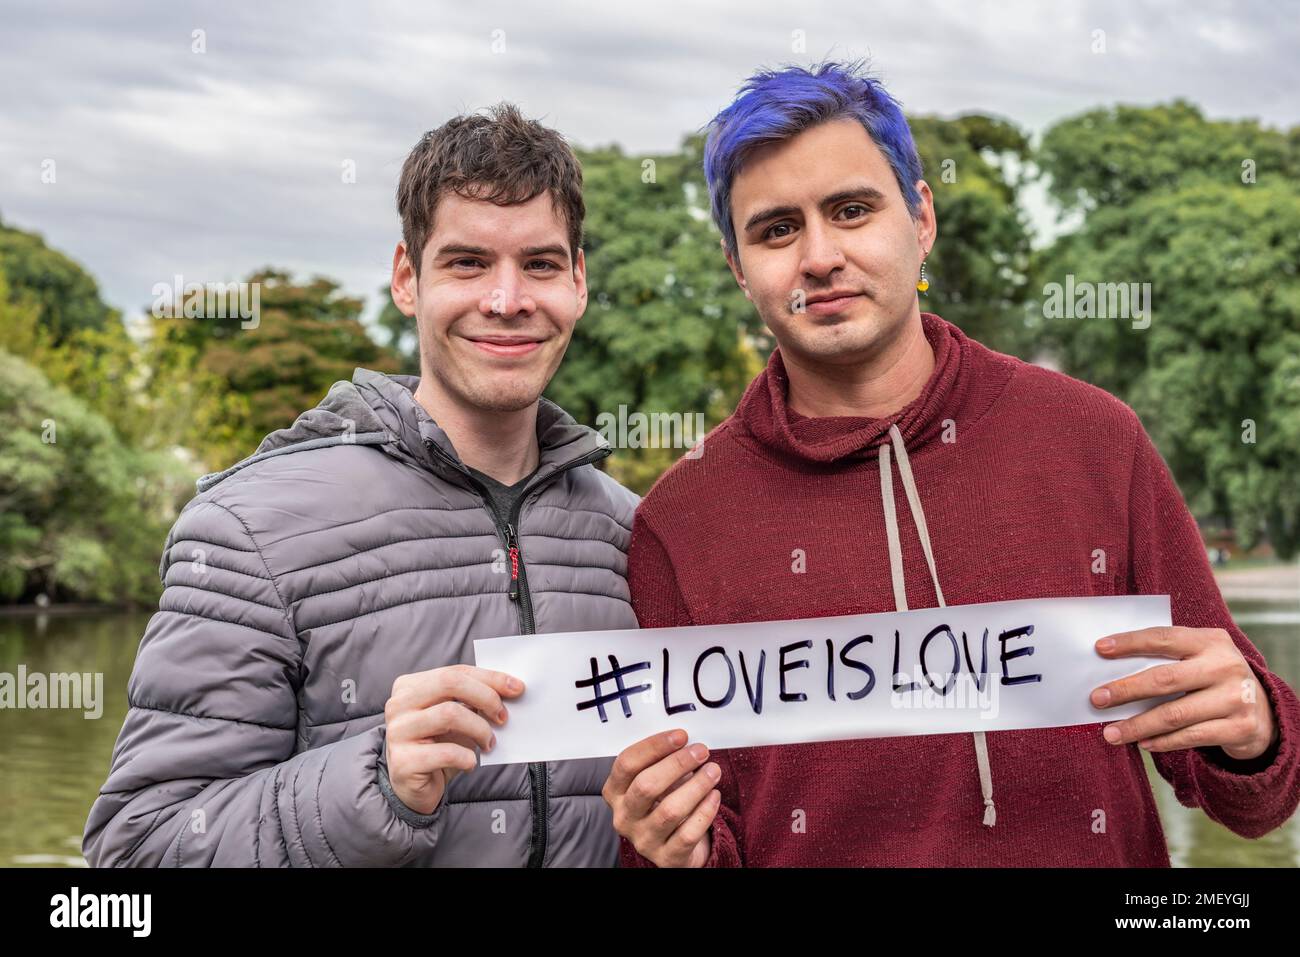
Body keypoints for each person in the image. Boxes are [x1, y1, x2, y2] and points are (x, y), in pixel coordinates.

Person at [603, 61, 1299, 867]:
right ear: (736, 265)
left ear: (921, 217)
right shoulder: (679, 522)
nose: (820, 256)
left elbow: (1253, 796)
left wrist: (1254, 730)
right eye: (776, 229)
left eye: (852, 209)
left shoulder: (1094, 438)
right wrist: (664, 849)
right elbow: (696, 841)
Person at [83, 104, 637, 867]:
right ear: (408, 278)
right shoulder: (249, 528)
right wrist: (372, 782)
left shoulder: (631, 533)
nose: (508, 300)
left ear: (577, 282)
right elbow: (135, 853)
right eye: (468, 263)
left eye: (540, 264)